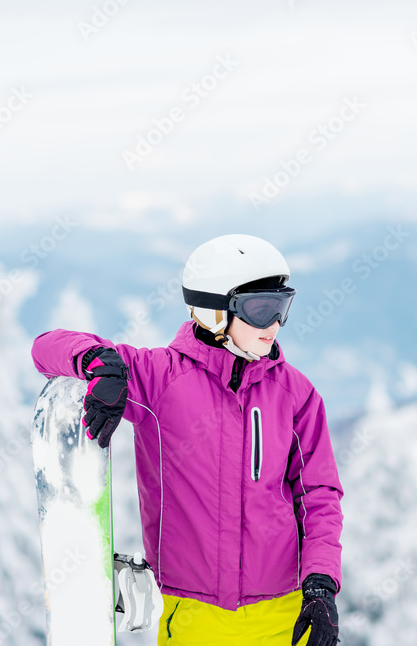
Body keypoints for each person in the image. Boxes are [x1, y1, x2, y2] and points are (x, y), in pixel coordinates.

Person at [31, 234, 343, 646]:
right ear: (214, 311)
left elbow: (319, 495)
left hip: (284, 614)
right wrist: (98, 364)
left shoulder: (294, 394)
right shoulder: (160, 379)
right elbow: (44, 348)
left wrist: (320, 584)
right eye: (260, 309)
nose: (274, 324)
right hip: (193, 616)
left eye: (281, 306)